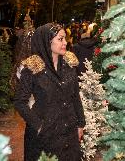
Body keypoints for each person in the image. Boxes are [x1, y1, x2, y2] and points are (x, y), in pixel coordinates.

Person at [14, 23, 86, 161]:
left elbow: (75, 96)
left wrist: (80, 123)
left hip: (68, 130)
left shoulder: (69, 65)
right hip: (45, 136)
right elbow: (20, 102)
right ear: (47, 41)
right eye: (60, 39)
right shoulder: (33, 69)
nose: (65, 42)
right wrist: (39, 125)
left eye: (65, 38)